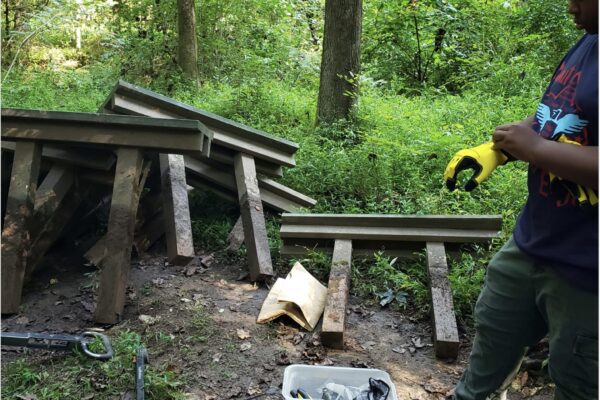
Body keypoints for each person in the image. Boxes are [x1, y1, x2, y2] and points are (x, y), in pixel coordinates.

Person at [443, 1, 598, 399]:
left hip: (588, 270)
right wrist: (501, 148)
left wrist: (534, 149)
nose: (571, 5)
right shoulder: (589, 41)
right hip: (533, 241)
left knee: (577, 377)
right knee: (494, 331)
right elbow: (556, 114)